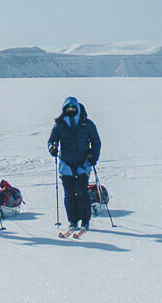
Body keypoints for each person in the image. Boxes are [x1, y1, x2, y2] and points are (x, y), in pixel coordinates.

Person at [48, 96, 101, 232]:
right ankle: (72, 221)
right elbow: (52, 140)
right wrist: (52, 148)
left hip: (83, 164)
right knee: (69, 194)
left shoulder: (87, 124)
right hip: (66, 165)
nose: (71, 111)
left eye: (73, 108)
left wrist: (94, 156)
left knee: (82, 192)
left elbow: (96, 142)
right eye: (68, 109)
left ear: (77, 109)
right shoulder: (59, 125)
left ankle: (85, 221)